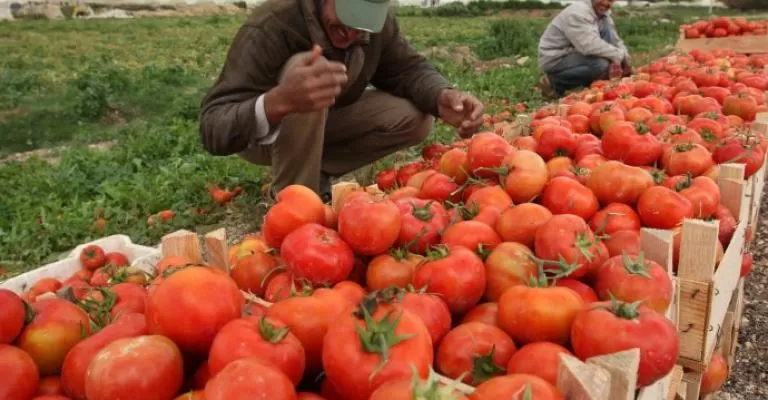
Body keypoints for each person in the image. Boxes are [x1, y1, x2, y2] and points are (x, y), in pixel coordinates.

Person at [199, 0, 484, 203]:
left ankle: (315, 173)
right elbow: (213, 126)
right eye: (348, 14)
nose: (352, 32)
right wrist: (279, 100)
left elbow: (406, 69)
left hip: (323, 124)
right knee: (309, 69)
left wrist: (441, 95)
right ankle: (295, 203)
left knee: (414, 117)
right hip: (263, 136)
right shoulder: (272, 25)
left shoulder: (374, 25)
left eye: (363, 24)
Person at [537, 0, 633, 97]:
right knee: (600, 65)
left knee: (608, 57)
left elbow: (615, 40)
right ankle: (553, 82)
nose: (605, 3)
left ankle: (591, 86)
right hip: (557, 57)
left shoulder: (603, 14)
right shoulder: (578, 13)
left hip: (577, 52)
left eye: (610, 0)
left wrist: (626, 59)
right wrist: (619, 56)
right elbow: (589, 46)